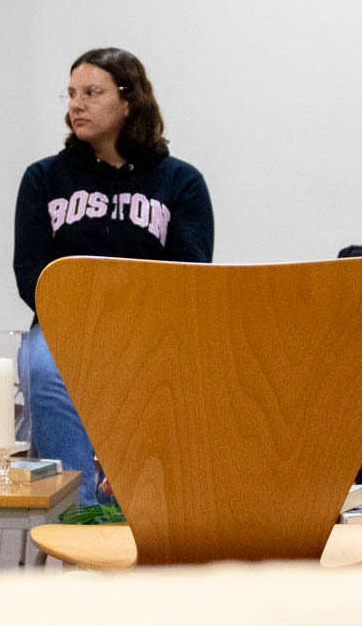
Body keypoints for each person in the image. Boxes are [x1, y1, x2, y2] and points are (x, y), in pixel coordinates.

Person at [12, 48, 213, 504]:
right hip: (65, 327)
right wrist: (82, 318)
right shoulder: (43, 179)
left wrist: (134, 322)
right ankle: (77, 512)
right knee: (41, 367)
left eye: (92, 92)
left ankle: (149, 509)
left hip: (154, 331)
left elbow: (191, 276)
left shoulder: (181, 182)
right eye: (71, 94)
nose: (76, 105)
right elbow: (30, 272)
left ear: (128, 101)